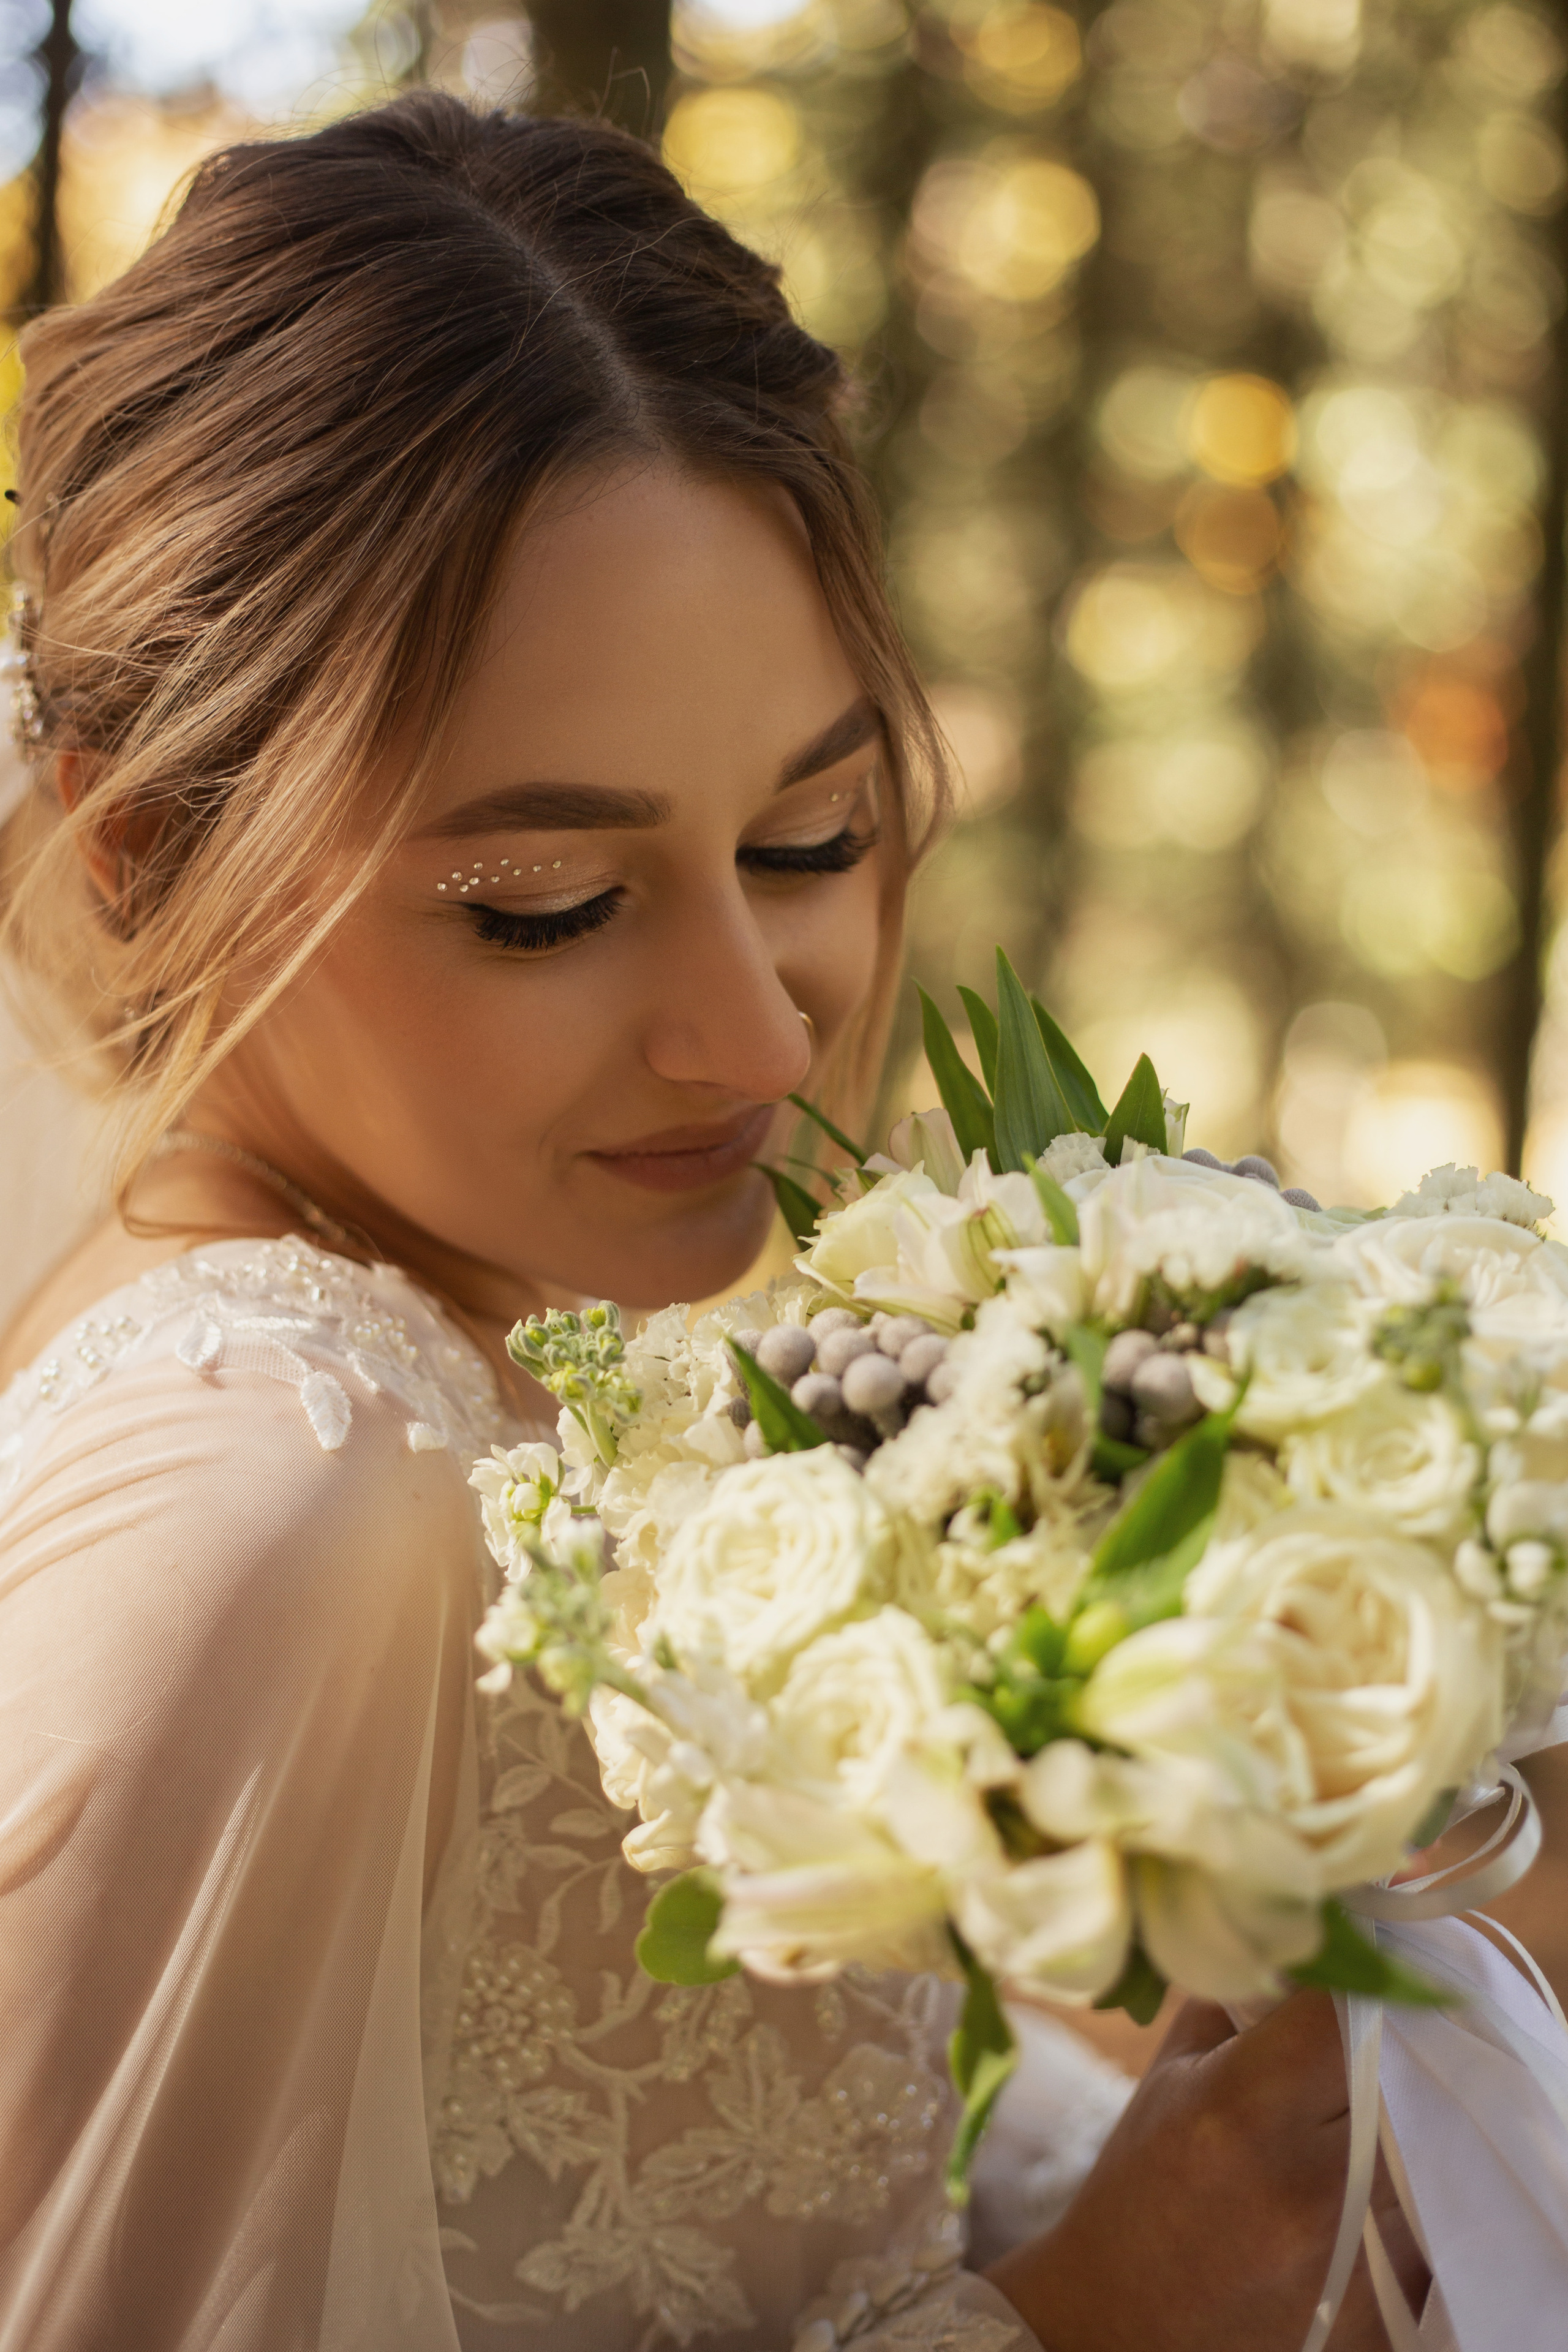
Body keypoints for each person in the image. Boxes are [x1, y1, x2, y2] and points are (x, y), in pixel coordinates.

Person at [0, 92, 1411, 2351]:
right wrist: (1080, 2325)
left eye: (809, 839)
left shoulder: (488, 1383)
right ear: (146, 857)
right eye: (547, 903)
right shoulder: (273, 1495)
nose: (756, 1039)